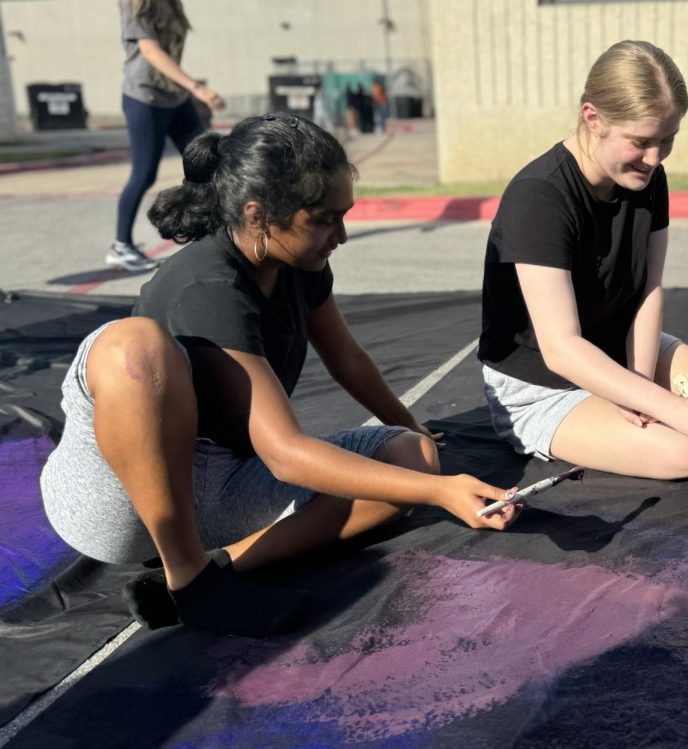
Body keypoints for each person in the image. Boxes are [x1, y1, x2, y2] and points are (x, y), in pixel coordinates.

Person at [41, 114, 520, 637]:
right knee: (133, 344)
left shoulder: (300, 265)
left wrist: (420, 437)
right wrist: (441, 494)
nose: (340, 235)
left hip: (221, 487)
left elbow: (348, 360)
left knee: (412, 458)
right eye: (323, 219)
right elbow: (284, 453)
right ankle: (189, 580)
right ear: (259, 214)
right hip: (122, 501)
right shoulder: (208, 286)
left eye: (344, 217)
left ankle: (212, 571)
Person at [478, 40, 688, 480]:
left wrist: (641, 390)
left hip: (618, 351)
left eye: (668, 139)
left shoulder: (648, 177)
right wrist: (661, 406)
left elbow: (648, 290)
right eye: (641, 141)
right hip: (544, 385)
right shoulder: (539, 196)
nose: (655, 158)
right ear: (593, 118)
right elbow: (561, 350)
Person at [111, 0, 225, 272]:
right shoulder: (136, 4)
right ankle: (120, 246)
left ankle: (215, 233)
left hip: (175, 97)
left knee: (211, 162)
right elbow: (150, 51)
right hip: (144, 98)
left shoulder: (172, 3)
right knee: (144, 174)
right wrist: (197, 87)